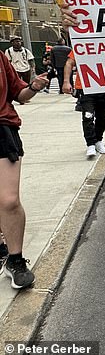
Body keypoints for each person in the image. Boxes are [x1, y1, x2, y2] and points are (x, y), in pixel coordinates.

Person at [0, 52, 49, 289]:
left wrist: (34, 86)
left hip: (2, 130)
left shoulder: (0, 57)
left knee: (9, 201)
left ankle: (15, 260)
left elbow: (19, 93)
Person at [62, 51, 105, 159]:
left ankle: (98, 141)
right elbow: (69, 63)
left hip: (104, 86)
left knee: (101, 116)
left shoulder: (104, 44)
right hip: (86, 87)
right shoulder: (80, 44)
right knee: (88, 116)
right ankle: (90, 143)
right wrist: (66, 81)